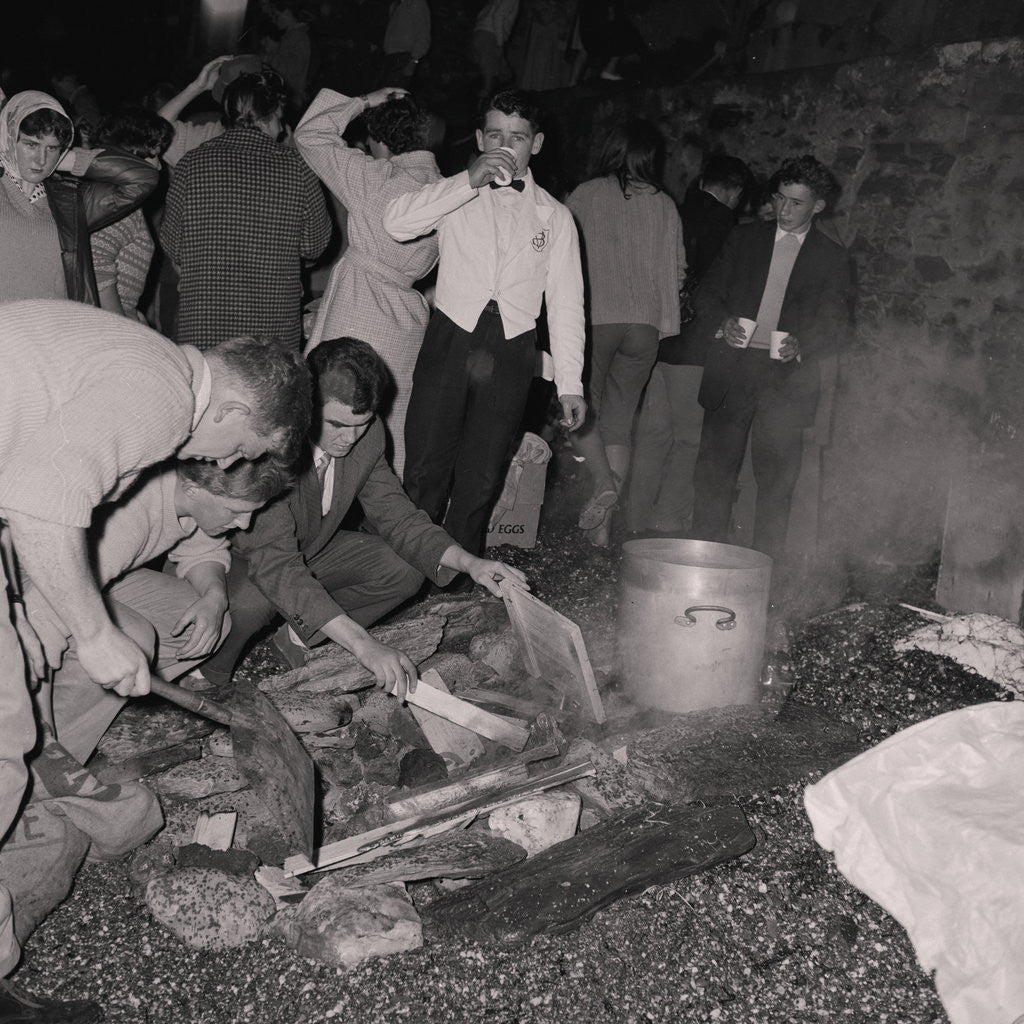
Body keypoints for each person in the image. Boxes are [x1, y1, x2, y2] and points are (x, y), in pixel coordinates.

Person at [0, 299, 310, 1022]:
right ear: (232, 403)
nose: (235, 462)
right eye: (248, 446)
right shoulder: (164, 396)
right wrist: (95, 634)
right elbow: (43, 504)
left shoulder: (146, 360)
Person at [200, 337, 528, 696]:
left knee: (402, 568)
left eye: (363, 423)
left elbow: (399, 517)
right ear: (306, 404)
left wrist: (469, 563)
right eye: (337, 425)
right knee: (253, 602)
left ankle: (298, 639)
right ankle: (207, 676)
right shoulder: (274, 447)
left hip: (312, 545)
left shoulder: (367, 437)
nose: (351, 439)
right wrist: (362, 645)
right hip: (241, 559)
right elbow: (276, 564)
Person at [384, 88, 586, 557]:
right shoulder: (457, 191)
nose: (505, 146)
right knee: (424, 467)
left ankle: (456, 581)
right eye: (495, 134)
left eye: (517, 137)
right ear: (479, 138)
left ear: (535, 144)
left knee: (483, 474)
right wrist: (463, 182)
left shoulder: (555, 216)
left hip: (513, 350)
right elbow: (396, 224)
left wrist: (570, 384)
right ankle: (405, 576)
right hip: (450, 339)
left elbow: (566, 302)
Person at [20, 457, 292, 766]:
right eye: (235, 511)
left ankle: (91, 702)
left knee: (203, 623)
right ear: (192, 488)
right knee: (133, 637)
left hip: (95, 576)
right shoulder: (130, 520)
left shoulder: (187, 497)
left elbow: (203, 547)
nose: (246, 524)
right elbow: (40, 617)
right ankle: (46, 758)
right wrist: (37, 722)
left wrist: (214, 597)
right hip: (30, 584)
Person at [689, 154, 854, 564]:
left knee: (776, 485)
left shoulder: (832, 258)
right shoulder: (744, 239)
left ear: (818, 206)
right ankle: (700, 565)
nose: (783, 210)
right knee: (714, 476)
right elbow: (706, 292)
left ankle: (766, 575)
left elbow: (837, 325)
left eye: (796, 203)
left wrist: (803, 344)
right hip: (734, 370)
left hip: (786, 381)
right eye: (779, 199)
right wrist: (723, 322)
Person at [295, 85, 441, 477]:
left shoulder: (375, 177)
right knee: (388, 432)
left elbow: (309, 134)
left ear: (380, 139)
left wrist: (363, 101)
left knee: (328, 417)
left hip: (359, 308)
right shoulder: (449, 188)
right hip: (407, 321)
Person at [564, 119, 685, 547]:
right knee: (619, 421)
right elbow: (678, 269)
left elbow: (562, 256)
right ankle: (601, 531)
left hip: (597, 318)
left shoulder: (585, 194)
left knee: (580, 409)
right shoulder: (666, 204)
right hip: (645, 325)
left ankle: (601, 484)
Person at [161, 69, 331, 351]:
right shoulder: (298, 167)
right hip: (272, 330)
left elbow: (173, 244)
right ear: (274, 111)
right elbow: (315, 245)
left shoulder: (191, 164)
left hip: (204, 322)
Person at [629, 153, 750, 537]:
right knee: (687, 441)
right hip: (696, 347)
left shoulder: (673, 212)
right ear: (733, 191)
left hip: (657, 341)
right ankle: (668, 519)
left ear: (701, 182)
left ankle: (632, 517)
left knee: (651, 437)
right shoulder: (726, 226)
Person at [0, 90, 158, 305]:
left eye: (52, 147)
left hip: (55, 332)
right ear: (8, 138)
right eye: (31, 144)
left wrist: (71, 159)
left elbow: (143, 177)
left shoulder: (69, 201)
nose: (41, 158)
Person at [89, 108, 175, 320]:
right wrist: (123, 325)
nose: (159, 165)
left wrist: (134, 314)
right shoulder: (118, 204)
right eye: (154, 156)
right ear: (133, 158)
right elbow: (96, 263)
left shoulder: (111, 196)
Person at [473, 0, 521, 96]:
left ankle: (491, 98)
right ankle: (488, 101)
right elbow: (498, 15)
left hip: (480, 32)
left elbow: (483, 13)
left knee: (497, 71)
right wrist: (500, 42)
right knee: (490, 76)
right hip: (491, 35)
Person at [381, 0, 431, 88]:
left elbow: (423, 34)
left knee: (392, 96)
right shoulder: (398, 4)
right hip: (390, 56)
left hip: (404, 58)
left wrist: (414, 60)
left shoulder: (417, 3)